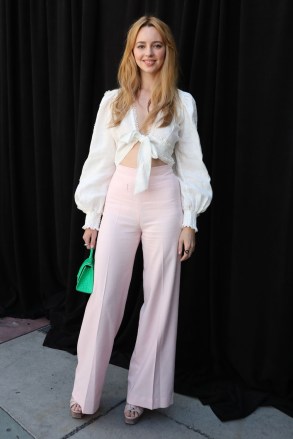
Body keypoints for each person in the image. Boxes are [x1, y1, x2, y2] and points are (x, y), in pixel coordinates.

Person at [70, 15, 212, 425]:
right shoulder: (112, 101)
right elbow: (98, 162)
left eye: (156, 45)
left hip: (164, 199)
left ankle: (143, 393)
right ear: (131, 52)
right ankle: (85, 391)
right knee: (104, 298)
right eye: (141, 46)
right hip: (119, 197)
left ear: (167, 50)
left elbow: (191, 165)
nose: (149, 53)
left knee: (161, 299)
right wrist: (91, 216)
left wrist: (190, 221)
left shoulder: (182, 103)